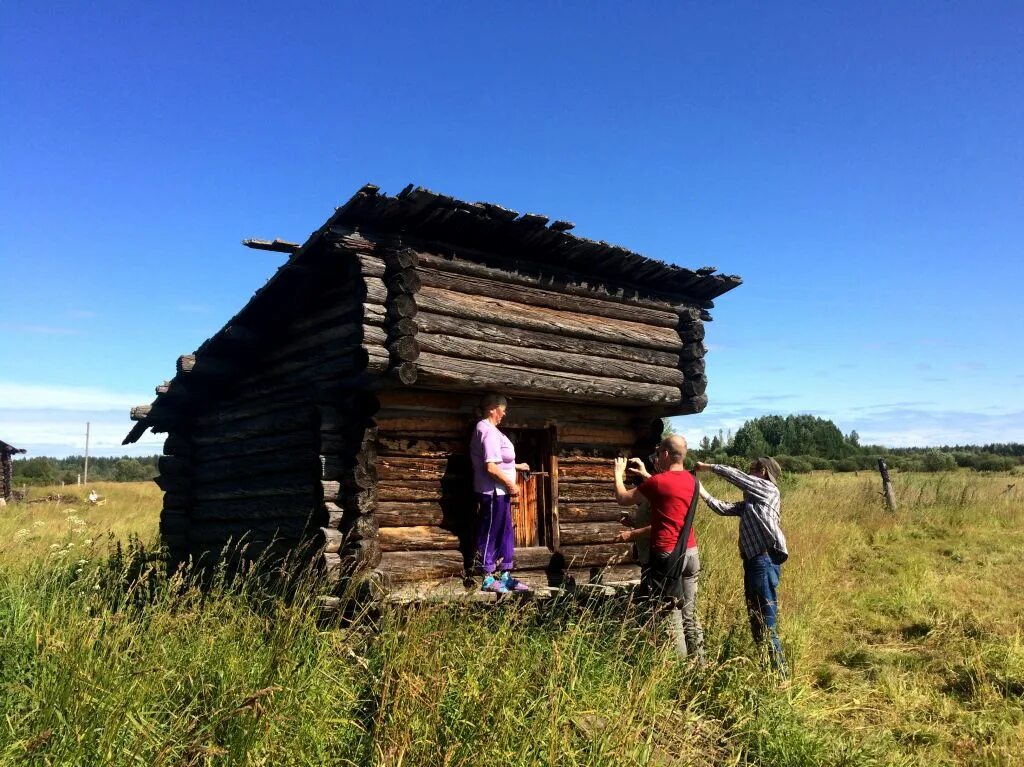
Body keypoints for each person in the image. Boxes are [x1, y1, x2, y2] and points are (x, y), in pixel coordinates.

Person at [613, 435, 704, 661]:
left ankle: (679, 671)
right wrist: (645, 472)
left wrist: (618, 472)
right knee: (690, 614)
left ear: (664, 454)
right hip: (691, 552)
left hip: (668, 555)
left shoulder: (659, 482)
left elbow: (623, 498)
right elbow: (666, 488)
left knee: (671, 615)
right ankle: (700, 665)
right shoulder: (694, 481)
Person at [694, 457, 788, 675]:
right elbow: (723, 508)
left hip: (764, 560)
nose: (748, 473)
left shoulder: (767, 489)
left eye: (752, 469)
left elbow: (736, 477)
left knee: (766, 619)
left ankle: (780, 675)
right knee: (756, 619)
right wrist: (701, 490)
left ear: (763, 472)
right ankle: (768, 670)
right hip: (754, 561)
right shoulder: (752, 502)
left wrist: (707, 468)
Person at [469, 393, 531, 594]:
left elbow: (501, 461)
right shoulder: (486, 430)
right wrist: (511, 484)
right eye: (502, 410)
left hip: (499, 491)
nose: (503, 415)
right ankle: (487, 576)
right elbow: (491, 468)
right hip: (492, 491)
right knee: (490, 531)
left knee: (505, 532)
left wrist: (517, 466)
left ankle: (505, 575)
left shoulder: (493, 431)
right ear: (492, 408)